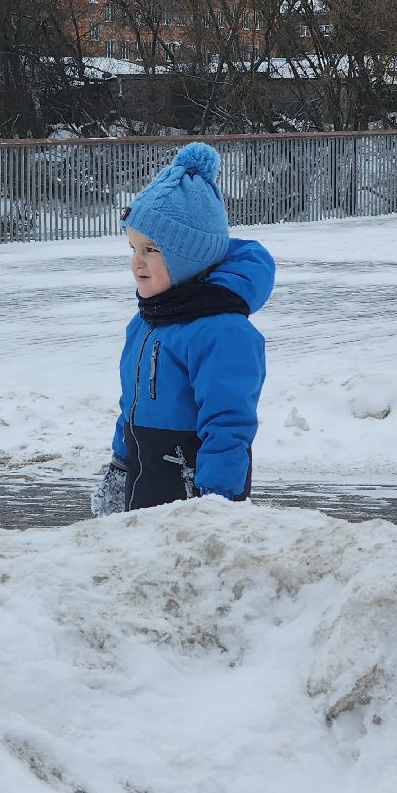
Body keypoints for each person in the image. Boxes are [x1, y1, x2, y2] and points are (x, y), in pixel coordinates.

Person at [91, 141, 275, 516]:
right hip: (143, 482)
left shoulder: (221, 332)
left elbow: (228, 424)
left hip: (193, 495)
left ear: (191, 259)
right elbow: (131, 406)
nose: (137, 263)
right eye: (133, 249)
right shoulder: (145, 323)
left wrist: (217, 502)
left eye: (152, 251)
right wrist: (119, 465)